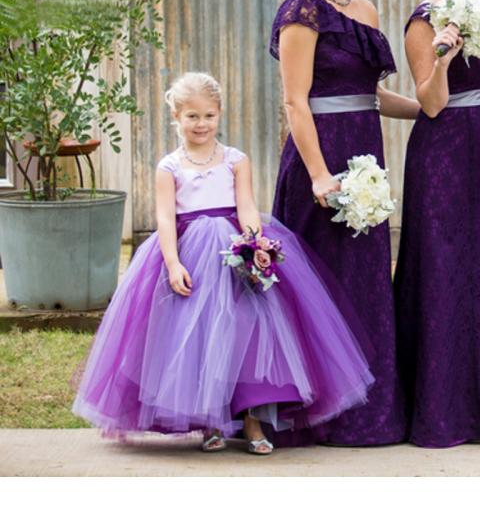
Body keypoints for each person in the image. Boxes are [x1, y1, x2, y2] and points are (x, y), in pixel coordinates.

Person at [73, 71, 376, 455]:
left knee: (246, 334)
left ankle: (251, 422)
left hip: (234, 254)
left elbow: (247, 206)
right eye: (192, 116)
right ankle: (209, 424)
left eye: (209, 115)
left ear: (220, 114)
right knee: (195, 338)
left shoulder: (235, 160)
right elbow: (166, 217)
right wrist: (172, 263)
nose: (201, 124)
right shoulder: (169, 167)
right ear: (176, 118)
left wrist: (256, 244)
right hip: (191, 258)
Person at [270, 0, 420, 447]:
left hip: (363, 164)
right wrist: (317, 174)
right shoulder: (302, 11)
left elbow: (371, 97)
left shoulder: (367, 10)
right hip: (320, 161)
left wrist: (433, 111)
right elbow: (296, 101)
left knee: (365, 282)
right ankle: (313, 415)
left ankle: (366, 417)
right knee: (318, 285)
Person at [394, 0, 480, 447]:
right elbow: (431, 102)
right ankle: (448, 413)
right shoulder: (422, 19)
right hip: (446, 154)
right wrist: (444, 57)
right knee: (446, 271)